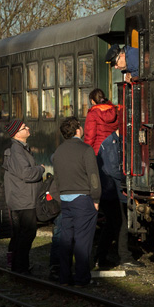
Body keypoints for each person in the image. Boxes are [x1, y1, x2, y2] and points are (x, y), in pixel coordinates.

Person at [51, 117, 102, 286]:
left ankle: (65, 277)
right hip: (83, 200)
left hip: (65, 200)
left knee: (66, 240)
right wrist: (96, 198)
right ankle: (81, 278)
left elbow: (56, 179)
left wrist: (60, 197)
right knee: (83, 240)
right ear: (78, 129)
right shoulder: (85, 150)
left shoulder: (58, 152)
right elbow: (93, 177)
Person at [2, 118, 45, 275]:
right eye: (24, 127)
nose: (28, 129)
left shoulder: (20, 149)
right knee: (27, 233)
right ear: (17, 133)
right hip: (24, 199)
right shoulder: (17, 151)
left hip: (22, 197)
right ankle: (20, 268)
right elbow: (26, 174)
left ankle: (18, 266)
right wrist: (40, 169)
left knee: (21, 233)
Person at [95, 127, 134, 268]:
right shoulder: (111, 144)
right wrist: (129, 179)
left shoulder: (116, 141)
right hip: (112, 192)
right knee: (118, 224)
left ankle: (102, 257)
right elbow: (113, 170)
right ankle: (123, 257)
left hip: (112, 191)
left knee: (112, 225)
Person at [83, 88, 120, 155]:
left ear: (92, 101)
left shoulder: (93, 113)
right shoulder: (114, 111)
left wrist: (86, 151)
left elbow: (90, 136)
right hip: (113, 148)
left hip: (98, 149)